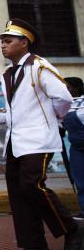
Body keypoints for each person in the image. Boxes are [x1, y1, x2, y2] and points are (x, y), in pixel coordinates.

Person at [0, 19, 83, 250]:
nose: (3, 45)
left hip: (38, 140)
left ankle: (72, 228)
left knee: (31, 184)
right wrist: (1, 118)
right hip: (15, 142)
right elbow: (19, 109)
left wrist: (51, 119)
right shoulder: (8, 73)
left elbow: (64, 98)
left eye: (8, 41)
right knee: (18, 194)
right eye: (2, 41)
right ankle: (33, 244)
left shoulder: (40, 66)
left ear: (24, 43)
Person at [62, 77, 84, 219]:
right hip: (76, 148)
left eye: (69, 88)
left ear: (77, 88)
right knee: (80, 180)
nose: (66, 91)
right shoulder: (66, 104)